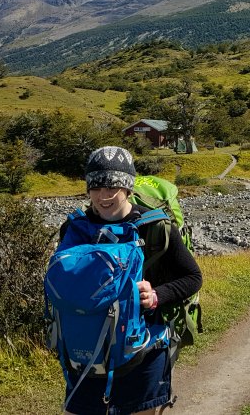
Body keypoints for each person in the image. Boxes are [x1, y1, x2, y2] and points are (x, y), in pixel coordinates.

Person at [59, 146, 203, 415]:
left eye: (112, 186)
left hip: (145, 347)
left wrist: (156, 295)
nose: (103, 196)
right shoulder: (75, 229)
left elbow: (193, 277)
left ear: (127, 187)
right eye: (96, 187)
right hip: (86, 349)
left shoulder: (156, 227)